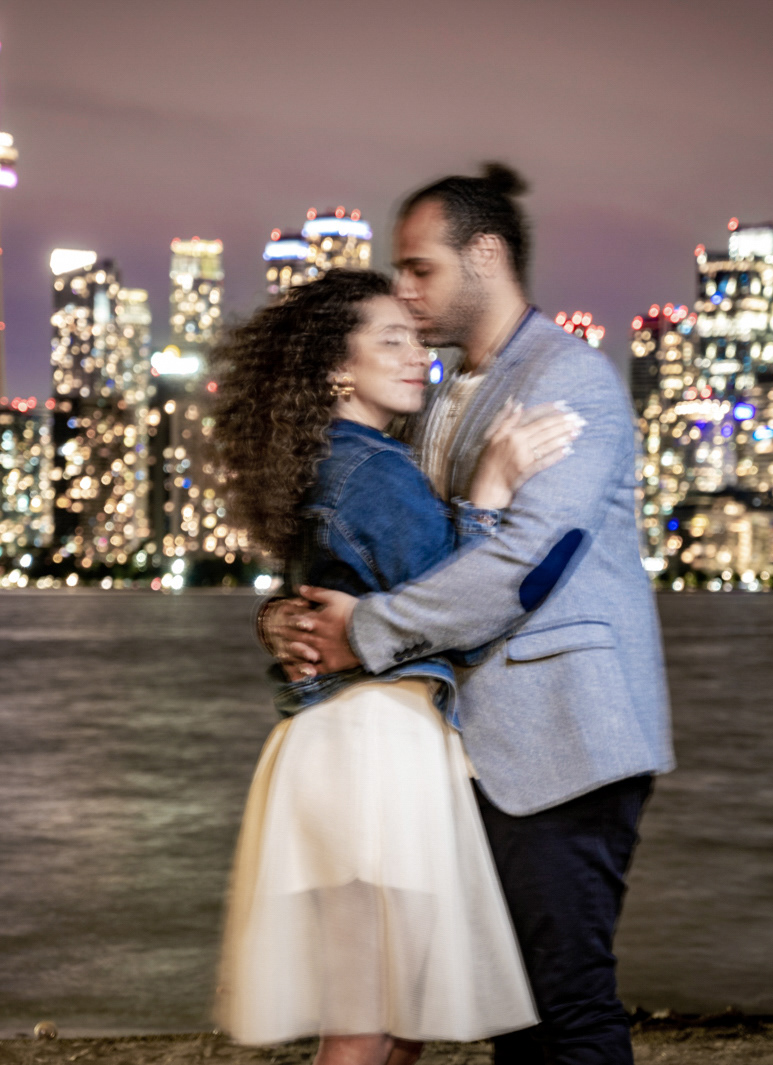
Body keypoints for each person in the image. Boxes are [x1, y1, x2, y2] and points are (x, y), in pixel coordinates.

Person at [269, 164, 674, 1065]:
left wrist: (358, 633)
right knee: (514, 1013)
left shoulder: (568, 382)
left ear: (484, 254)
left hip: (563, 740)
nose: (407, 297)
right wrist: (289, 611)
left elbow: (523, 569)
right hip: (475, 749)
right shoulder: (438, 398)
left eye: (420, 270)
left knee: (566, 1004)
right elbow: (370, 533)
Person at [211, 268, 583, 1065]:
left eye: (417, 339)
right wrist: (490, 488)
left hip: (370, 745)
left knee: (397, 1017)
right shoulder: (369, 470)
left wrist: (273, 616)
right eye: (391, 340)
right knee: (369, 1021)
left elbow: (318, 594)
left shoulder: (350, 460)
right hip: (370, 751)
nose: (418, 355)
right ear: (335, 368)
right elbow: (469, 605)